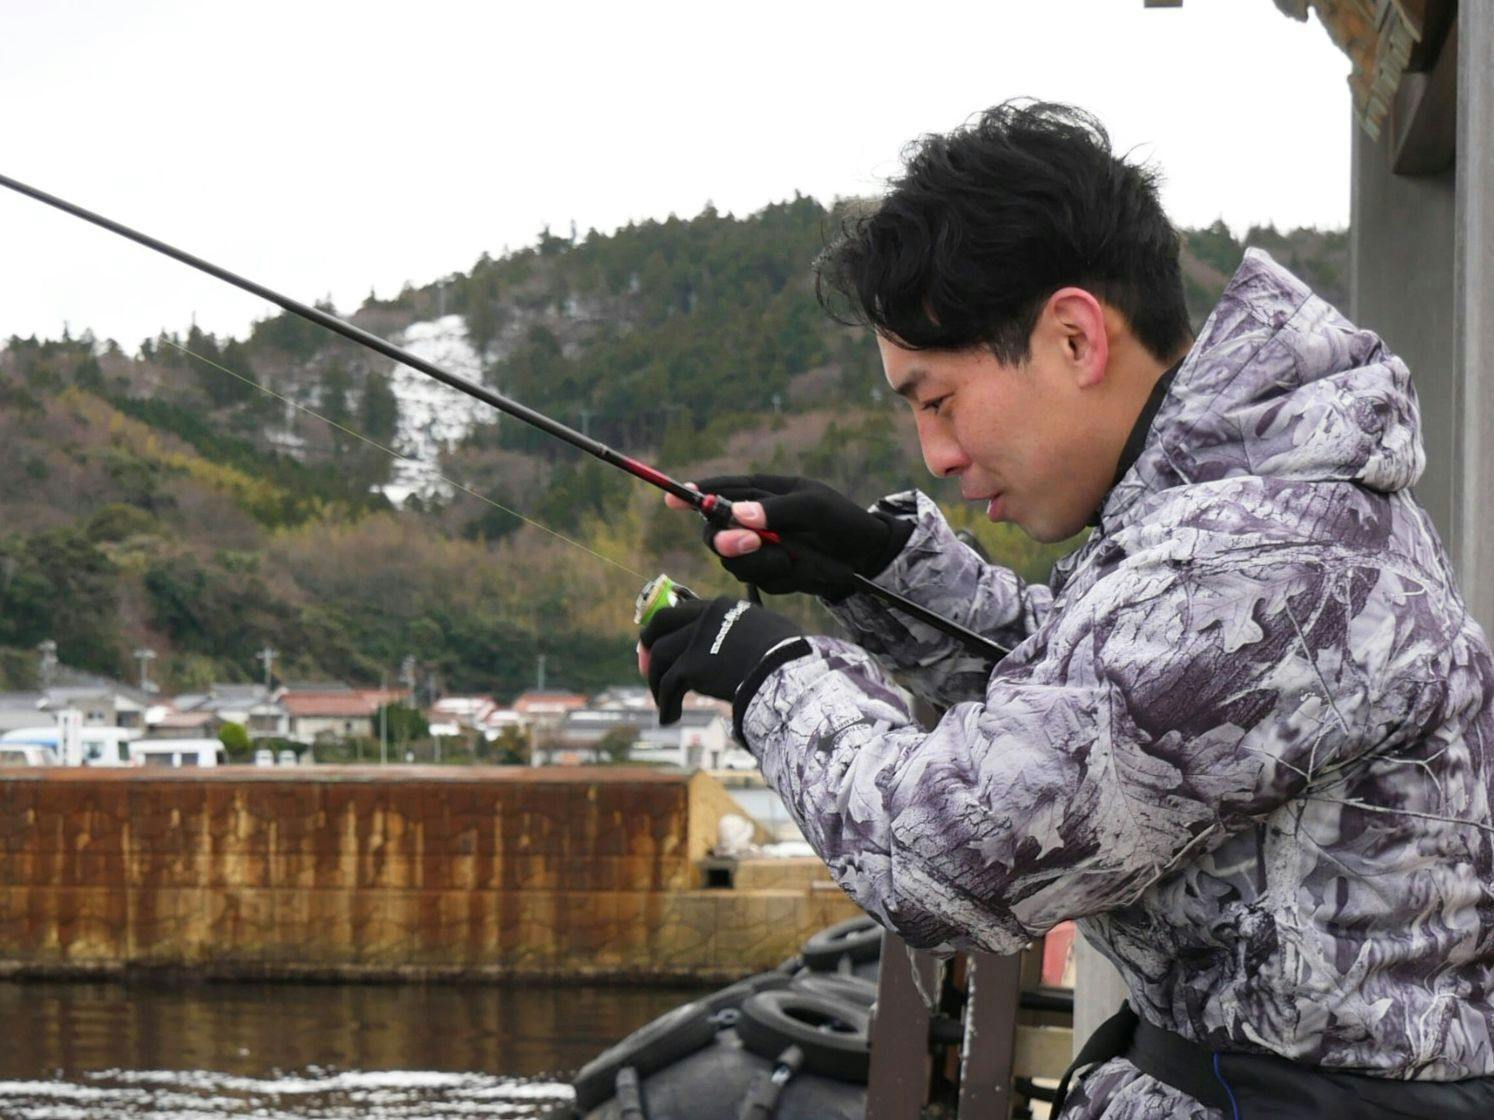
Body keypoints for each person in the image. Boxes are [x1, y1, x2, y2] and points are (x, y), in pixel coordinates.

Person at [637, 100, 1494, 1118]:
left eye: (938, 400)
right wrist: (868, 571)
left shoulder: (1255, 557)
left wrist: (767, 673)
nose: (937, 456)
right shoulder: (1241, 519)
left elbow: (941, 856)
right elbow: (1100, 704)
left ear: (1076, 336)